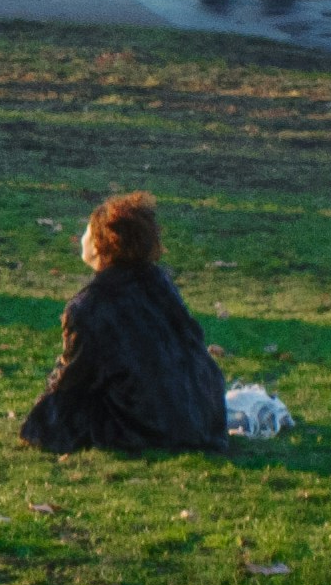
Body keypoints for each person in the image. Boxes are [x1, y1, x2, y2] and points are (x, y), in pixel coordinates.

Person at [16, 190, 227, 456]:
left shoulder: (90, 305)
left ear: (100, 244)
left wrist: (39, 417)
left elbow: (73, 376)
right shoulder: (159, 283)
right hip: (201, 416)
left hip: (152, 424)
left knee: (66, 409)